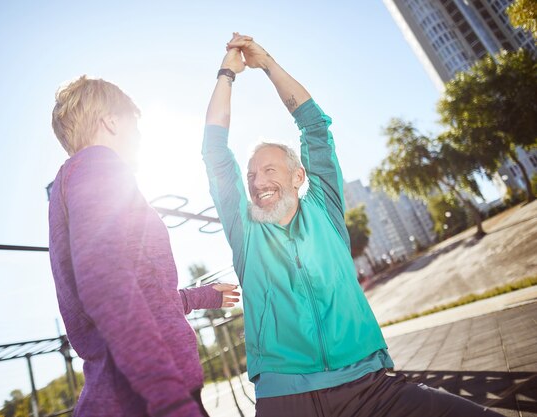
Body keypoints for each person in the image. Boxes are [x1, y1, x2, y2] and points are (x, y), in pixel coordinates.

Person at [202, 34, 502, 417]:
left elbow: (314, 127)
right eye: (252, 175)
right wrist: (227, 72)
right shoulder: (245, 230)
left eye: (269, 170)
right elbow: (214, 149)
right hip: (285, 399)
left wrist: (268, 65)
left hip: (370, 388)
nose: (258, 182)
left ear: (298, 176)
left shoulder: (325, 208)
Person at [48, 75, 240, 417]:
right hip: (151, 398)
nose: (139, 136)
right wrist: (168, 398)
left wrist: (200, 297)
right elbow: (108, 288)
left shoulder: (79, 179)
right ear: (110, 121)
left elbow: (142, 294)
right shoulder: (96, 167)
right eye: (133, 124)